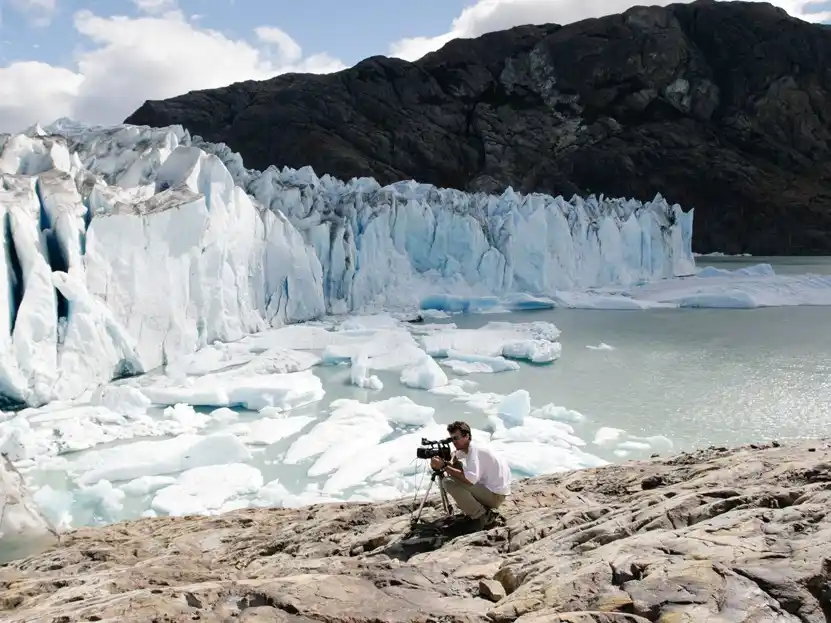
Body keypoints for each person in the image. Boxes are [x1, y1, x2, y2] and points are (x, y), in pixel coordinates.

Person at [429, 420, 511, 530]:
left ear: (466, 436)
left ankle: (481, 516)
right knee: (454, 473)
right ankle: (481, 510)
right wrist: (448, 461)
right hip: (496, 492)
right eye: (451, 439)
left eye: (456, 438)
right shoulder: (472, 447)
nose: (453, 442)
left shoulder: (474, 450)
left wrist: (444, 466)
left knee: (447, 481)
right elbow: (456, 458)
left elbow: (470, 479)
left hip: (495, 497)